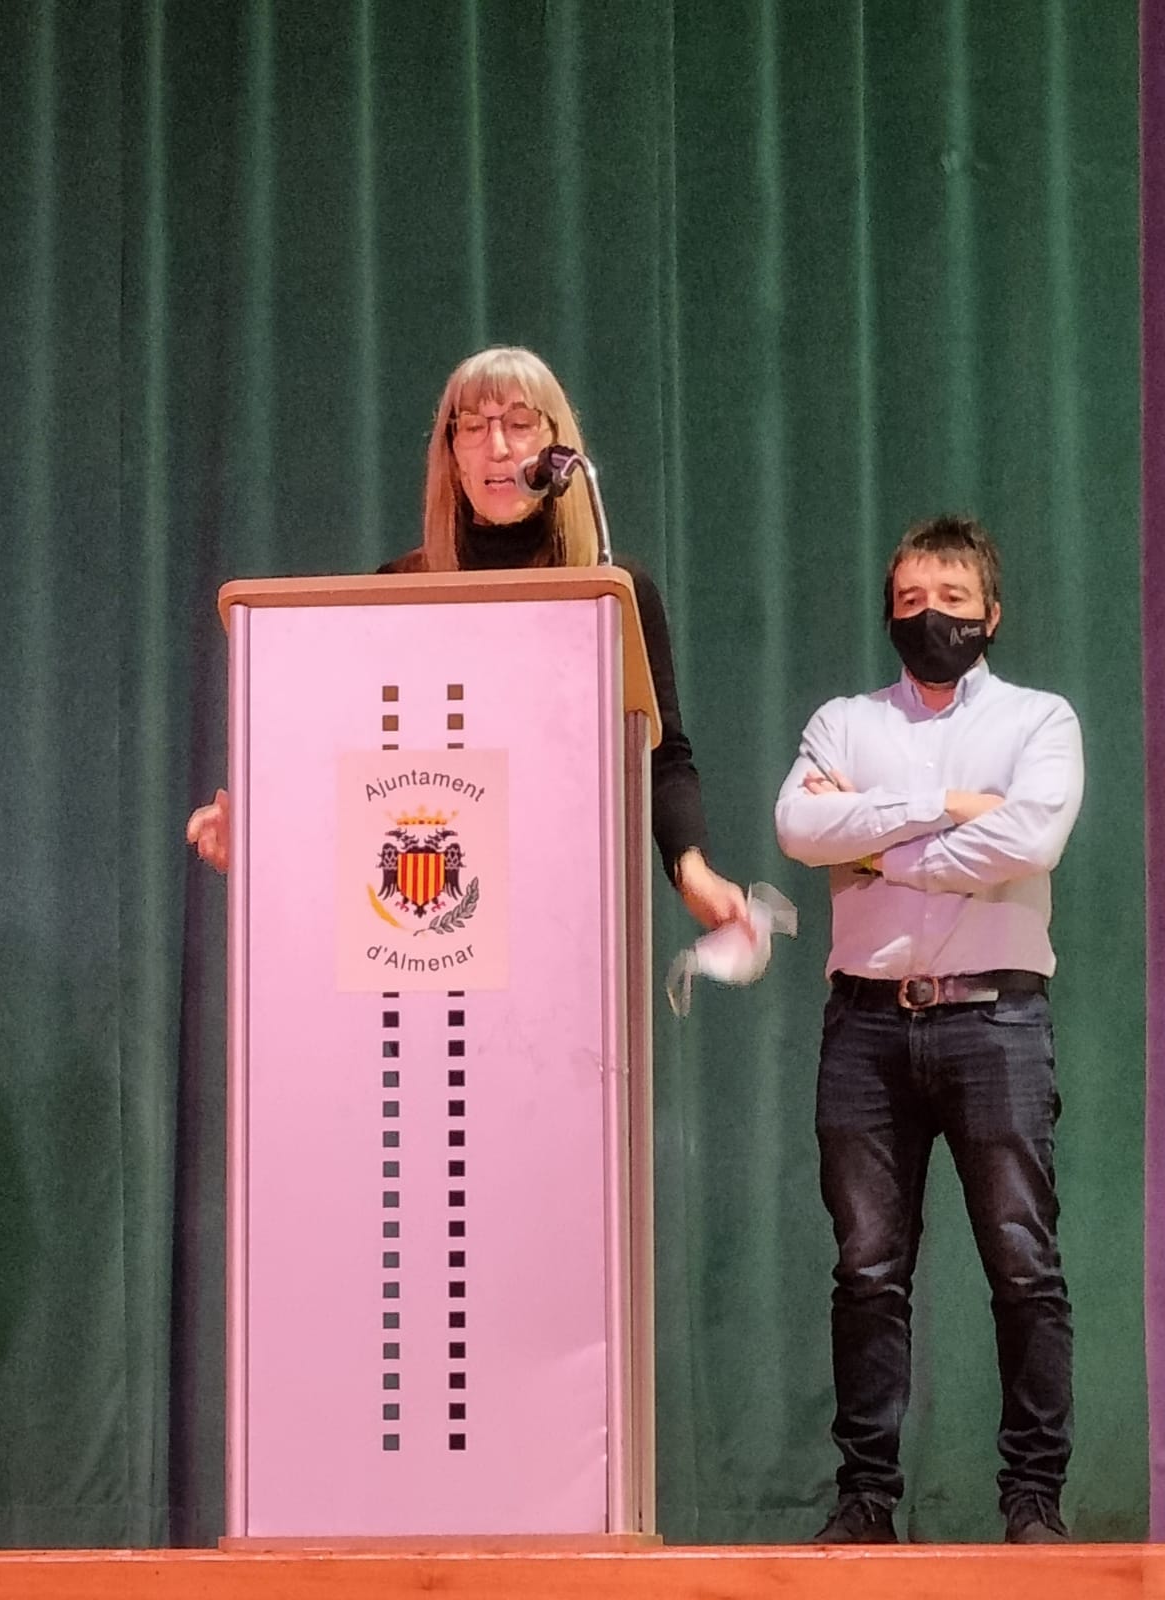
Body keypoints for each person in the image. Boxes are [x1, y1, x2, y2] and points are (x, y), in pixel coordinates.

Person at [188, 345, 746, 931]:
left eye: (519, 423)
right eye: (474, 427)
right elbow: (347, 760)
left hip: (566, 908)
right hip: (428, 908)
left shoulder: (611, 591)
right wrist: (259, 833)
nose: (497, 446)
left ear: (556, 448)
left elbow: (660, 754)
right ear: (452, 455)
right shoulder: (402, 589)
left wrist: (692, 871)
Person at [774, 515, 1083, 1546]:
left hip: (998, 1020)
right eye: (909, 600)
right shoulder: (843, 721)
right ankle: (866, 1499)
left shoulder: (1040, 720)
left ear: (991, 613)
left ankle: (1032, 1499)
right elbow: (798, 827)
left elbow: (1029, 838)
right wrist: (948, 804)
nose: (930, 616)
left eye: (952, 599)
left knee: (1023, 1263)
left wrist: (875, 844)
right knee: (867, 1270)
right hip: (866, 1025)